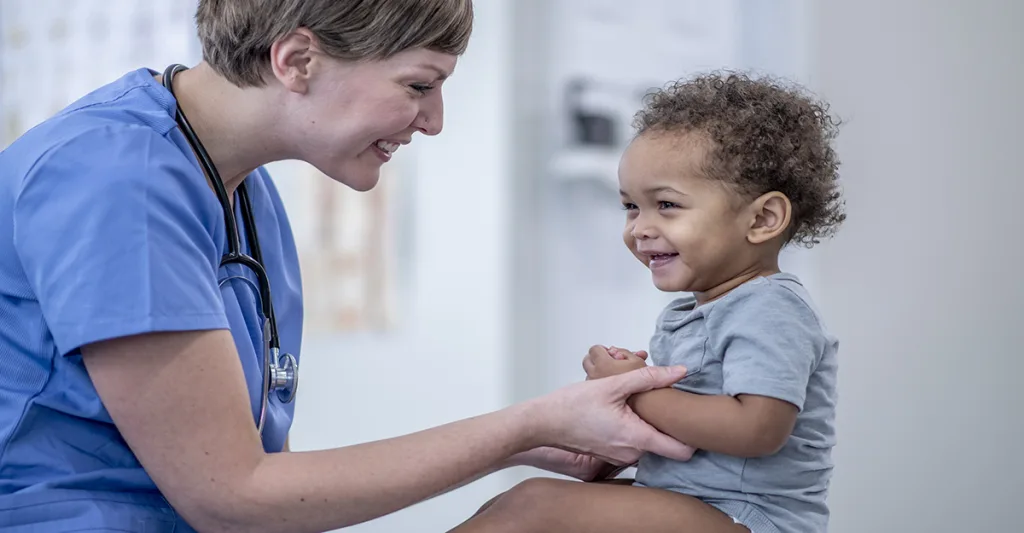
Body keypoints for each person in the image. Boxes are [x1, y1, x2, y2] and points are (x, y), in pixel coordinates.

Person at [0, 1, 697, 531]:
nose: (434, 121)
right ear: (297, 60)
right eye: (420, 84)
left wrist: (541, 435)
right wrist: (526, 426)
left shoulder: (242, 193)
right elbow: (229, 495)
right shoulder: (116, 178)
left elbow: (258, 477)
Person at [449, 72, 846, 533]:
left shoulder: (771, 308)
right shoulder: (692, 313)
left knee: (534, 508)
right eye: (631, 207)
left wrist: (634, 391)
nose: (639, 228)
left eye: (666, 205)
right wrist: (621, 408)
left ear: (763, 218)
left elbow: (757, 429)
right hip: (697, 501)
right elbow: (694, 432)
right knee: (513, 501)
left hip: (753, 517)